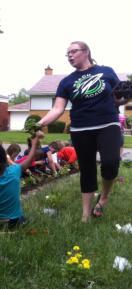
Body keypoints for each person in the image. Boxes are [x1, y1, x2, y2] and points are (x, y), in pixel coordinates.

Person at [36, 41, 129, 221]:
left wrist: (125, 99)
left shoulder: (106, 72)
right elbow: (57, 109)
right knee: (87, 170)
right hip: (80, 128)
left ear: (86, 52)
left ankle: (103, 198)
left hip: (107, 124)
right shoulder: (66, 81)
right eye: (67, 53)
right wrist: (38, 123)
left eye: (73, 51)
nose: (70, 55)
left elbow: (118, 99)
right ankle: (85, 215)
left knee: (110, 163)